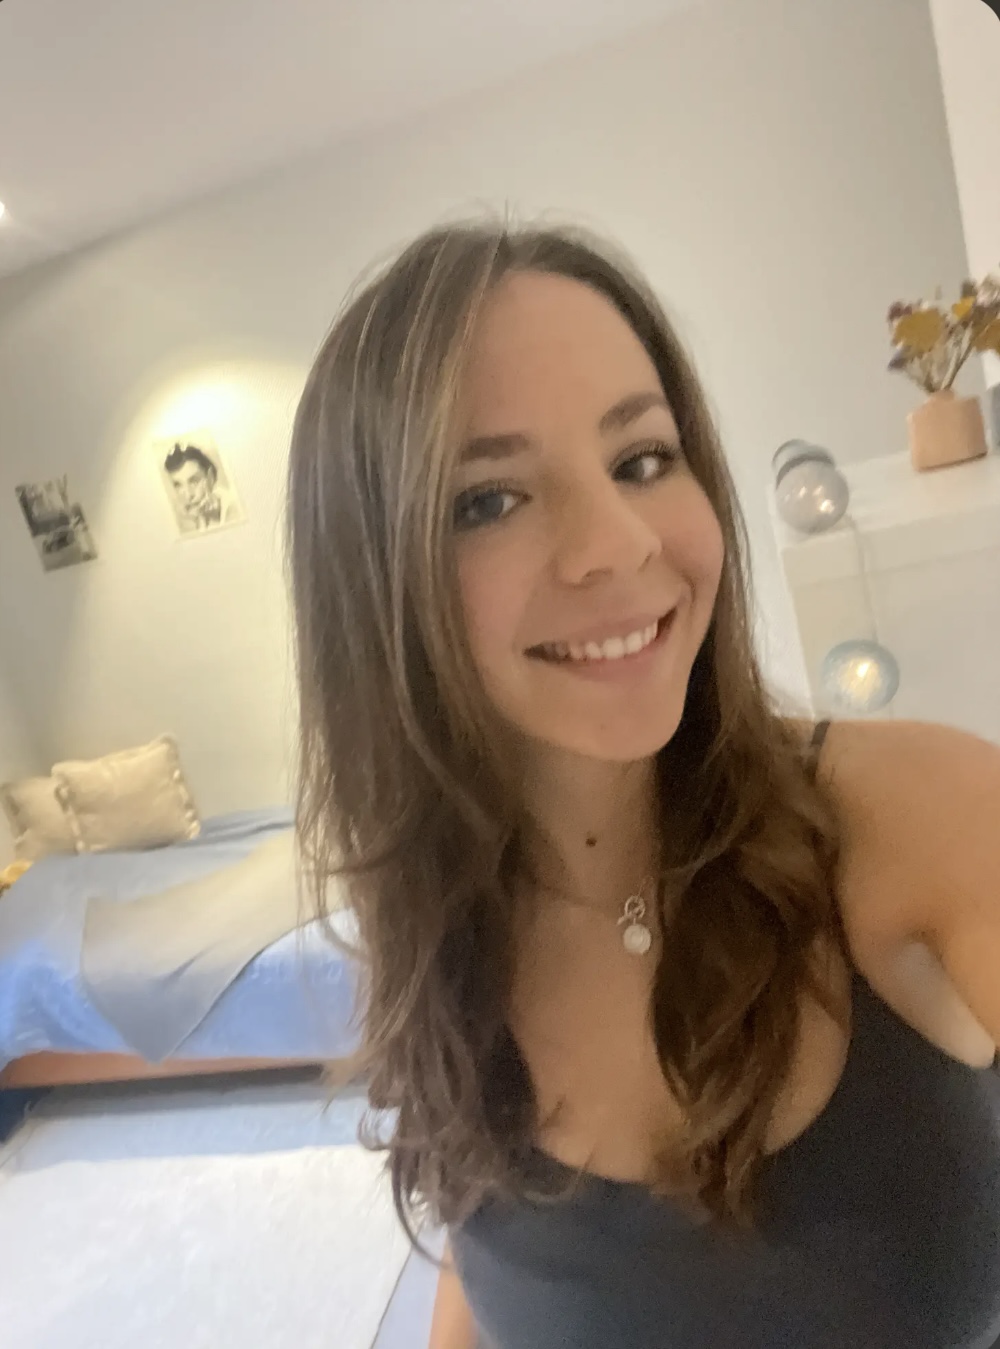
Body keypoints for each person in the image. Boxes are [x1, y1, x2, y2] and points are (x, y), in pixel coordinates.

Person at [285, 222, 1000, 1348]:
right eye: (489, 499)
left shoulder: (926, 811)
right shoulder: (431, 923)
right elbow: (486, 1256)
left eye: (642, 459)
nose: (617, 544)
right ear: (375, 591)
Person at [164, 442, 240, 531]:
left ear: (210, 477)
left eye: (194, 482)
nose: (188, 495)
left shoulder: (234, 507)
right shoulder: (183, 521)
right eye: (178, 485)